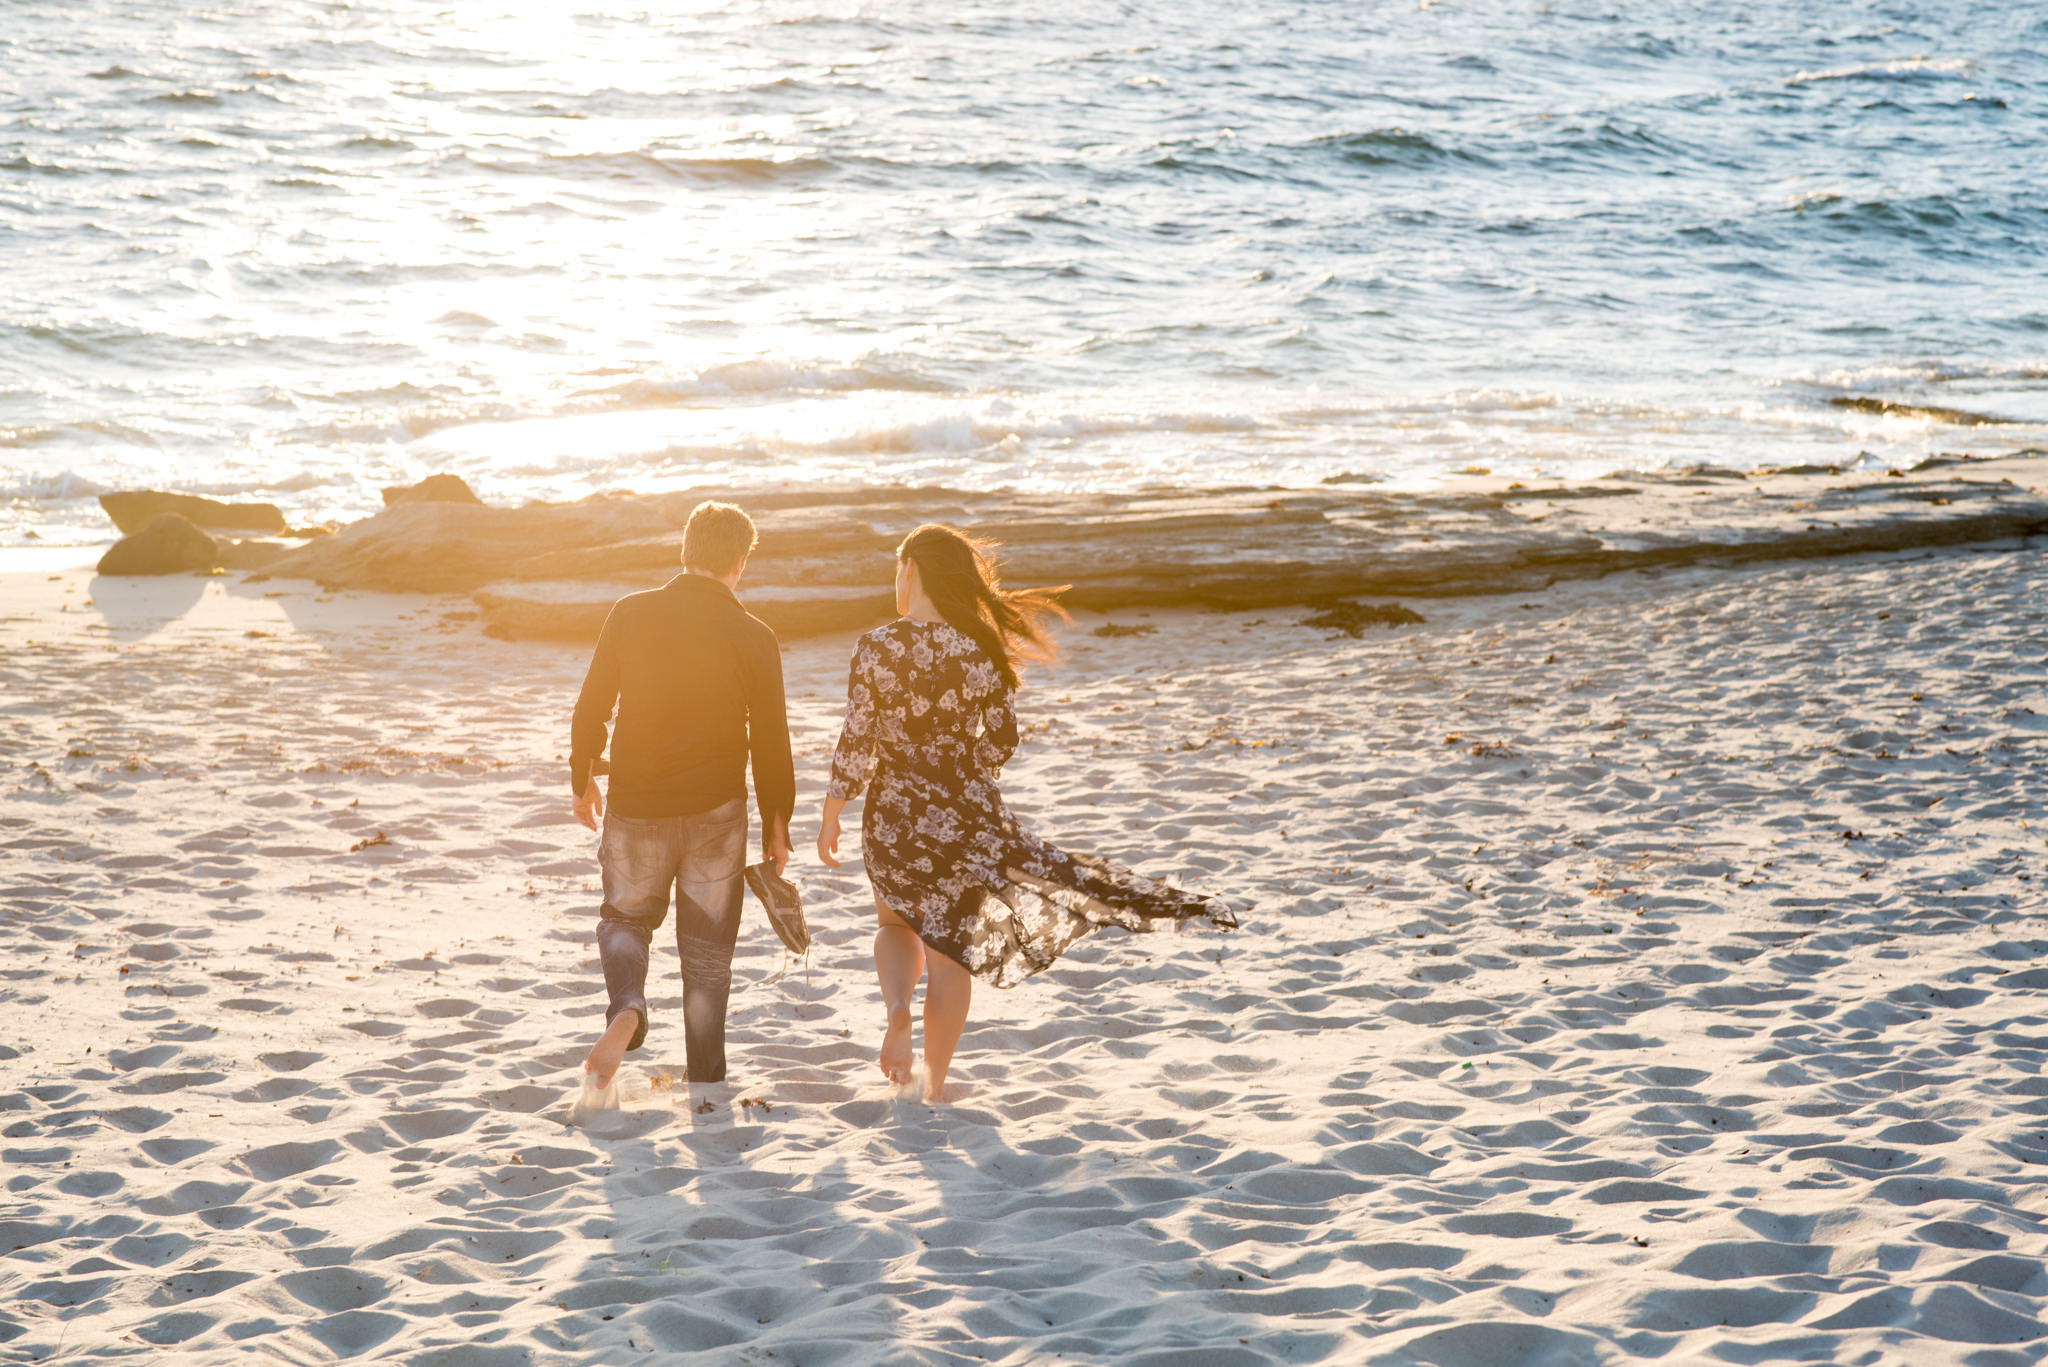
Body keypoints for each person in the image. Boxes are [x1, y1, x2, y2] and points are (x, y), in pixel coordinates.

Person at [816, 523, 1237, 1103]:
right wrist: (967, 776)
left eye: (897, 569)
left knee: (894, 925)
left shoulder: (876, 646)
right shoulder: (980, 649)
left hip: (893, 814)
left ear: (911, 570)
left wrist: (832, 810)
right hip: (967, 813)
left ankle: (895, 1011)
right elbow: (1002, 738)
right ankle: (933, 1085)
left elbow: (857, 739)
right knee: (948, 953)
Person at [570, 501, 793, 1090]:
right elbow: (772, 739)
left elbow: (593, 704)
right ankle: (705, 1082)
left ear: (684, 551)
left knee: (625, 920)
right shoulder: (754, 635)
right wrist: (778, 819)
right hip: (716, 812)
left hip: (635, 803)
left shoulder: (630, 613)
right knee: (706, 958)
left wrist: (582, 774)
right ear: (740, 563)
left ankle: (628, 1009)